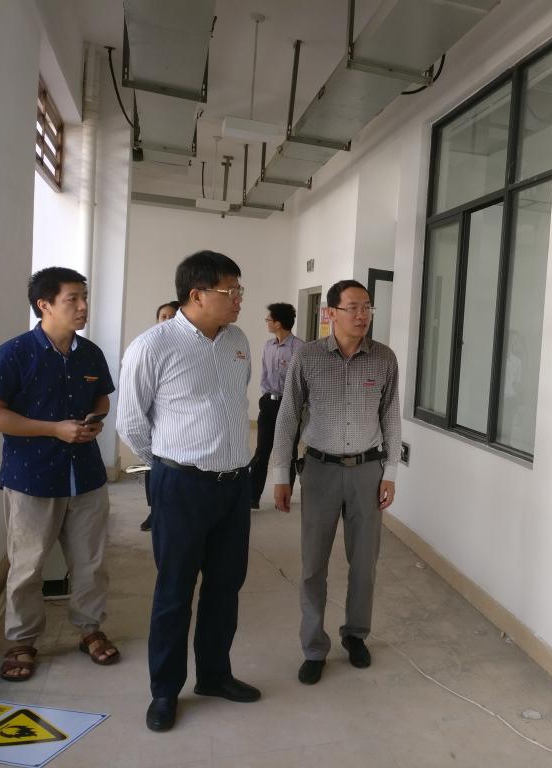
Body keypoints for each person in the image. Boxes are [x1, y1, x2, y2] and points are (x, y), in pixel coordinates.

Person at [117, 251, 259, 733]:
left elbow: (235, 400)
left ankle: (214, 675)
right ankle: (164, 690)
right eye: (230, 291)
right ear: (196, 295)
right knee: (175, 590)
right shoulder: (152, 346)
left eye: (239, 290)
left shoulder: (238, 340)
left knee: (226, 586)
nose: (239, 299)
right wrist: (168, 464)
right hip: (181, 485)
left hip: (234, 486)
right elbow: (131, 423)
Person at [0, 267, 120, 682]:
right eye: (73, 298)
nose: (83, 306)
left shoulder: (90, 353)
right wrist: (54, 429)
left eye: (84, 297)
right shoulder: (13, 353)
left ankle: (89, 629)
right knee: (27, 566)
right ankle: (22, 640)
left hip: (86, 476)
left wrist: (94, 420)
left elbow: (102, 398)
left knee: (91, 562)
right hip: (31, 478)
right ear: (45, 304)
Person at [271, 279, 400, 685]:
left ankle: (355, 635)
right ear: (330, 313)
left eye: (367, 307)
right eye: (353, 307)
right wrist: (281, 474)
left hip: (367, 471)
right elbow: (288, 416)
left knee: (364, 564)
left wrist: (391, 472)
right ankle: (314, 647)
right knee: (313, 565)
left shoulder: (384, 358)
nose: (362, 315)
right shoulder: (307, 357)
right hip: (320, 470)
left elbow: (391, 416)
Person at [248, 302, 303, 509]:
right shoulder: (268, 346)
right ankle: (252, 497)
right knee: (262, 451)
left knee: (288, 452)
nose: (267, 323)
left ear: (278, 323)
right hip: (268, 404)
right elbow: (264, 373)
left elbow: (303, 381)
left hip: (290, 406)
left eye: (268, 319)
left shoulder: (300, 348)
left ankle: (284, 497)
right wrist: (265, 397)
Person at [139, 300, 181, 532]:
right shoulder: (148, 347)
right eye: (163, 316)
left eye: (171, 316)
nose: (166, 320)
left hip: (175, 425)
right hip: (152, 422)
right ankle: (154, 510)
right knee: (151, 468)